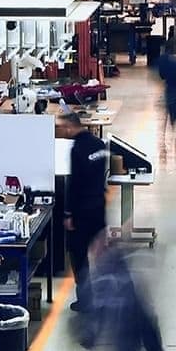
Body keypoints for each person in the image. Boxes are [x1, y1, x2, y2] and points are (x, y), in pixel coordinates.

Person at [57, 108, 110, 310]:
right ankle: (109, 297)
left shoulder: (76, 149)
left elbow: (74, 183)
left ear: (71, 126)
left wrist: (68, 213)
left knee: (79, 257)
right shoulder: (100, 145)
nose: (62, 131)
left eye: (63, 128)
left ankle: (86, 301)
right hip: (98, 207)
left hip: (81, 212)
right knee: (102, 254)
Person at [156, 45, 176, 156]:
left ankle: (163, 142)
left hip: (168, 90)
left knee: (164, 117)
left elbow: (161, 75)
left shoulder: (163, 60)